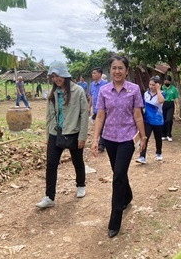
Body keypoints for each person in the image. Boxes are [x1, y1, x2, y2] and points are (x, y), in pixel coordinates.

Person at [91, 55, 146, 238]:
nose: (117, 71)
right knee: (118, 172)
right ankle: (128, 196)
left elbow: (138, 115)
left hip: (127, 138)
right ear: (110, 70)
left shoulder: (134, 89)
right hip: (109, 138)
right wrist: (95, 138)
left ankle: (115, 220)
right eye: (114, 68)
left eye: (121, 68)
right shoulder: (104, 91)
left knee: (118, 176)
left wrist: (143, 137)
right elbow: (100, 116)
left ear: (127, 70)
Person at [36, 61, 89, 209]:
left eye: (58, 75)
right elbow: (49, 115)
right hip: (55, 132)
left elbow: (84, 114)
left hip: (73, 132)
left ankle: (80, 185)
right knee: (51, 164)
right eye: (53, 76)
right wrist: (48, 136)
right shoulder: (53, 93)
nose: (56, 79)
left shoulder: (78, 91)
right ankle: (49, 197)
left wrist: (82, 137)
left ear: (65, 75)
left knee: (77, 161)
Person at [136, 76, 165, 164]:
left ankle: (159, 153)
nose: (151, 86)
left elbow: (161, 101)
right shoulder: (146, 94)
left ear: (158, 85)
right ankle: (142, 156)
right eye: (150, 84)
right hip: (147, 120)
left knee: (158, 138)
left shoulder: (162, 93)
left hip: (158, 120)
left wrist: (158, 90)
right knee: (144, 138)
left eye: (154, 85)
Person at [89, 67, 108, 152]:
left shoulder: (106, 84)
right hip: (96, 110)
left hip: (104, 110)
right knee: (99, 127)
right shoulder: (92, 84)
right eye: (92, 73)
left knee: (103, 127)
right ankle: (103, 142)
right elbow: (91, 96)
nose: (93, 75)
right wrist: (89, 107)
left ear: (100, 74)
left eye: (95, 73)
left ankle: (101, 145)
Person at [161, 75, 179, 142]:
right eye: (165, 81)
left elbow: (176, 98)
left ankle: (169, 135)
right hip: (163, 104)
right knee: (163, 120)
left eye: (168, 81)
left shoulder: (173, 89)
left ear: (170, 81)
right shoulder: (161, 88)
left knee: (169, 120)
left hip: (170, 104)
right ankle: (163, 135)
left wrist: (177, 107)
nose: (166, 82)